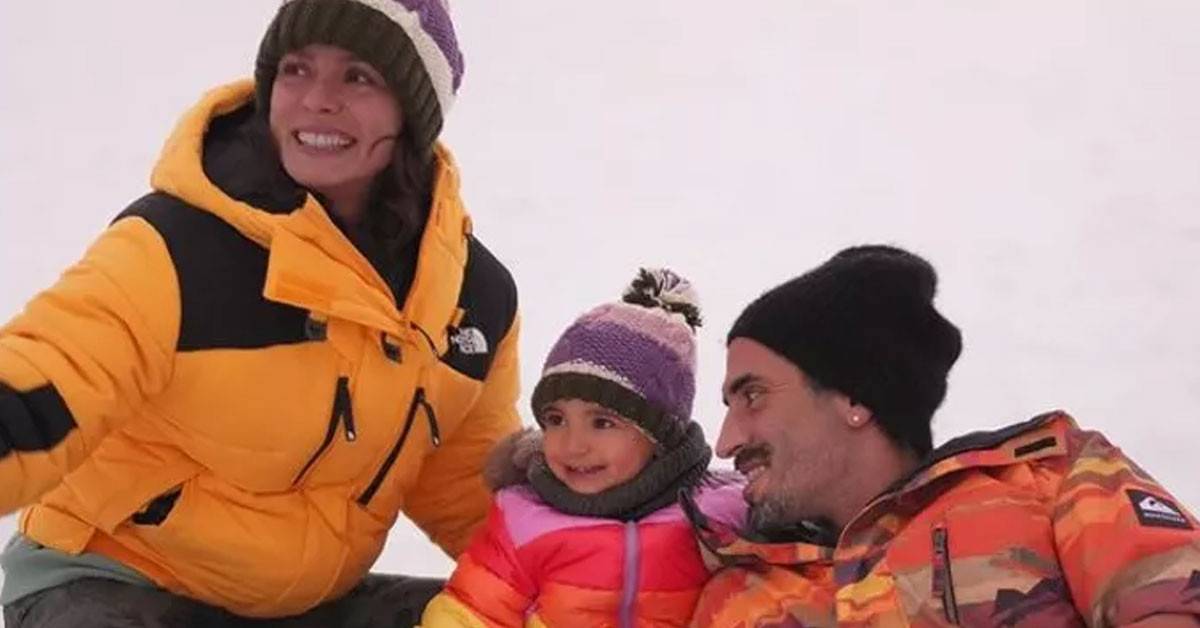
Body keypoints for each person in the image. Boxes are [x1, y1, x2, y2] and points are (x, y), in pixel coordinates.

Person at [0, 0, 521, 625]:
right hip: (111, 579)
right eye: (296, 69)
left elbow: (465, 488)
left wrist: (590, 563)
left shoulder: (469, 298)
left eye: (358, 76)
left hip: (302, 606)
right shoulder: (177, 247)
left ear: (413, 112)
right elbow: (56, 370)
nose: (317, 99)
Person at [688, 245, 1200, 627]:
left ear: (854, 399)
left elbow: (1170, 603)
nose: (726, 442)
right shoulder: (737, 598)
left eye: (753, 395)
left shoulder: (1048, 478)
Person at [420, 269, 745, 627]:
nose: (573, 446)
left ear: (660, 435)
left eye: (602, 423)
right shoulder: (524, 519)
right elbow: (471, 612)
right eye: (556, 419)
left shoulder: (717, 515)